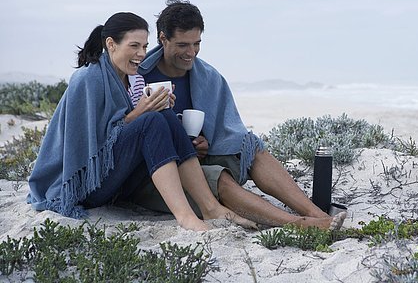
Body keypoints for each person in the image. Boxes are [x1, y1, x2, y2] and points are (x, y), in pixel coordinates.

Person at [27, 12, 256, 231]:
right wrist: (141, 113)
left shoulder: (133, 80)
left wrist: (157, 106)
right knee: (151, 121)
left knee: (163, 114)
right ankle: (185, 216)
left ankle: (211, 208)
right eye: (134, 46)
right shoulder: (88, 79)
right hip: (87, 186)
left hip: (118, 182)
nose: (141, 53)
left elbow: (131, 132)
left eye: (145, 46)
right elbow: (90, 149)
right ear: (111, 44)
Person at [132, 0, 346, 230]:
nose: (191, 52)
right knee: (218, 176)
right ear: (163, 38)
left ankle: (316, 213)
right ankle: (299, 224)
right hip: (158, 172)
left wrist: (204, 143)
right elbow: (131, 134)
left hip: (197, 159)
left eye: (197, 43)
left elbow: (224, 132)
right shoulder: (138, 76)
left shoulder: (208, 78)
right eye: (183, 45)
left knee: (252, 148)